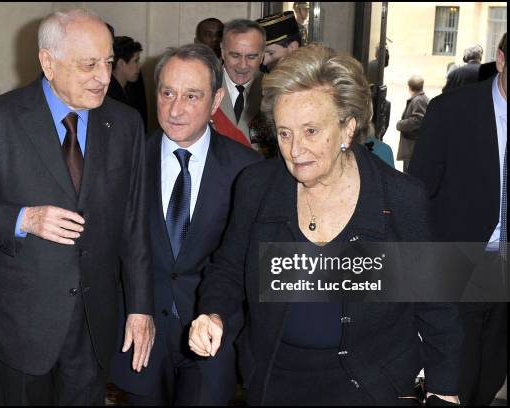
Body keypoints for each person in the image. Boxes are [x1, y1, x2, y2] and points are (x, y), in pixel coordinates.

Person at [189, 45, 461, 405]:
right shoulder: (257, 186)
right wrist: (213, 313)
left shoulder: (399, 198)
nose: (295, 150)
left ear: (348, 128)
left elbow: (436, 304)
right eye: (284, 133)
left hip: (369, 384)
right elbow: (227, 269)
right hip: (274, 379)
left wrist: (444, 387)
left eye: (311, 131)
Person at [0, 9, 154, 405]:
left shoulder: (125, 125)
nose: (103, 77)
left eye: (107, 63)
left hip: (94, 317)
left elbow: (134, 225)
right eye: (88, 65)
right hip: (20, 319)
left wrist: (141, 308)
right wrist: (24, 218)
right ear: (48, 62)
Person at [110, 43, 261, 406]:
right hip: (141, 331)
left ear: (215, 100)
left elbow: (249, 262)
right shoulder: (126, 161)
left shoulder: (246, 170)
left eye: (192, 96)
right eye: (167, 93)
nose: (175, 110)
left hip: (212, 337)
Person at [409, 32, 507, 406]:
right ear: (500, 61)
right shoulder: (452, 110)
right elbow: (419, 192)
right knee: (457, 376)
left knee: (491, 374)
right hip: (461, 262)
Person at [211, 19, 265, 149]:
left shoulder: (274, 91)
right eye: (235, 56)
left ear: (262, 56)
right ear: (223, 52)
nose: (242, 65)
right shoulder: (204, 88)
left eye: (251, 57)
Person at [107, 36, 147, 125]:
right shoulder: (109, 95)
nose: (139, 66)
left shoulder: (131, 88)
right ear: (121, 64)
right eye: (136, 61)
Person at [396, 75, 429, 172]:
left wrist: (400, 124)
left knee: (409, 173)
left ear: (409, 87)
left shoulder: (418, 100)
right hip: (413, 145)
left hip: (412, 146)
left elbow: (418, 119)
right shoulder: (421, 99)